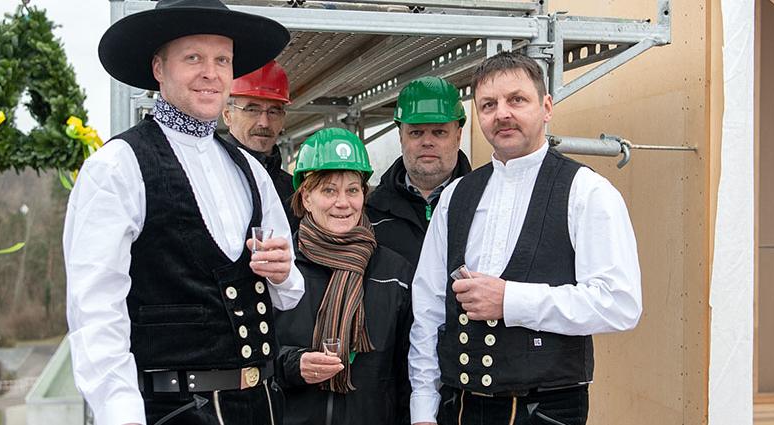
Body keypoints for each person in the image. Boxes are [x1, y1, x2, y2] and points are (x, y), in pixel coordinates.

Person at [65, 1, 304, 424]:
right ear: (159, 68)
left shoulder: (248, 168)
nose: (211, 73)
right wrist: (120, 414)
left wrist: (283, 272)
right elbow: (96, 312)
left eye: (222, 60)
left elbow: (290, 291)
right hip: (173, 411)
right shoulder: (118, 165)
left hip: (262, 405)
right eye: (193, 58)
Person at [408, 52, 643, 425]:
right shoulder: (456, 195)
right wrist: (423, 409)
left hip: (547, 409)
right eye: (489, 105)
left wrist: (512, 300)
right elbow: (429, 309)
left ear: (546, 107)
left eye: (516, 100)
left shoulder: (587, 191)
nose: (502, 113)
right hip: (461, 406)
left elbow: (620, 303)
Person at [273, 127, 414, 425]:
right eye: (328, 190)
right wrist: (293, 365)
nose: (343, 202)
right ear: (306, 198)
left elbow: (408, 370)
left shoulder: (393, 271)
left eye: (352, 190)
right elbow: (251, 357)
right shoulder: (282, 268)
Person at [366, 77, 471, 265]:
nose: (427, 142)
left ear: (458, 136)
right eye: (416, 132)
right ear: (400, 136)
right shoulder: (370, 212)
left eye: (439, 132)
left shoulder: (482, 204)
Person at [220, 60, 299, 227]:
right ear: (227, 115)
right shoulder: (208, 179)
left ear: (283, 118)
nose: (264, 122)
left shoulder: (293, 192)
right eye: (252, 109)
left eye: (274, 111)